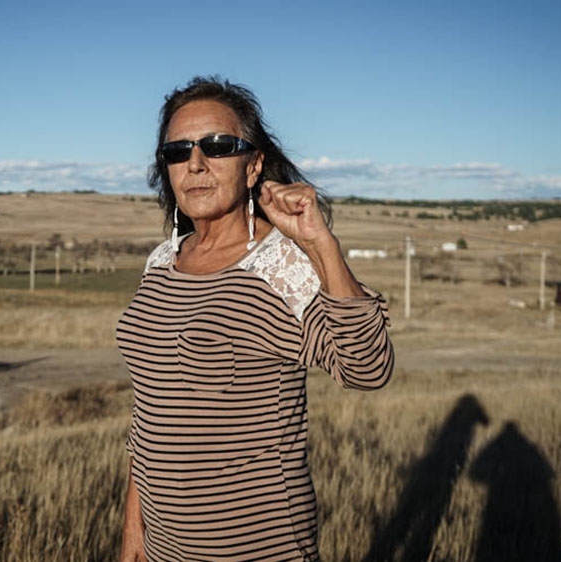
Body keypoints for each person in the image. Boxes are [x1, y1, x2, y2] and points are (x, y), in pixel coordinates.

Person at [116, 76, 394, 562]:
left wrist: (320, 244)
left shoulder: (277, 266)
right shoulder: (162, 262)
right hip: (163, 547)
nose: (195, 163)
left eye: (218, 146)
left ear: (254, 166)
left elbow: (367, 369)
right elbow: (151, 415)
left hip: (257, 547)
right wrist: (134, 532)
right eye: (178, 151)